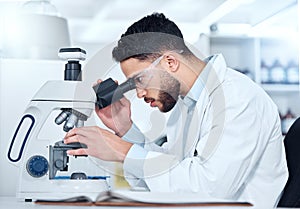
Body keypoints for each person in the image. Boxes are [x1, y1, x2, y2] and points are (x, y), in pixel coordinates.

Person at [64, 13, 288, 207]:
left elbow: (209, 192)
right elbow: (167, 177)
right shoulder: (185, 104)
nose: (139, 93)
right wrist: (126, 130)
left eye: (139, 80)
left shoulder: (236, 99)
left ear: (170, 62)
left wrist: (122, 150)